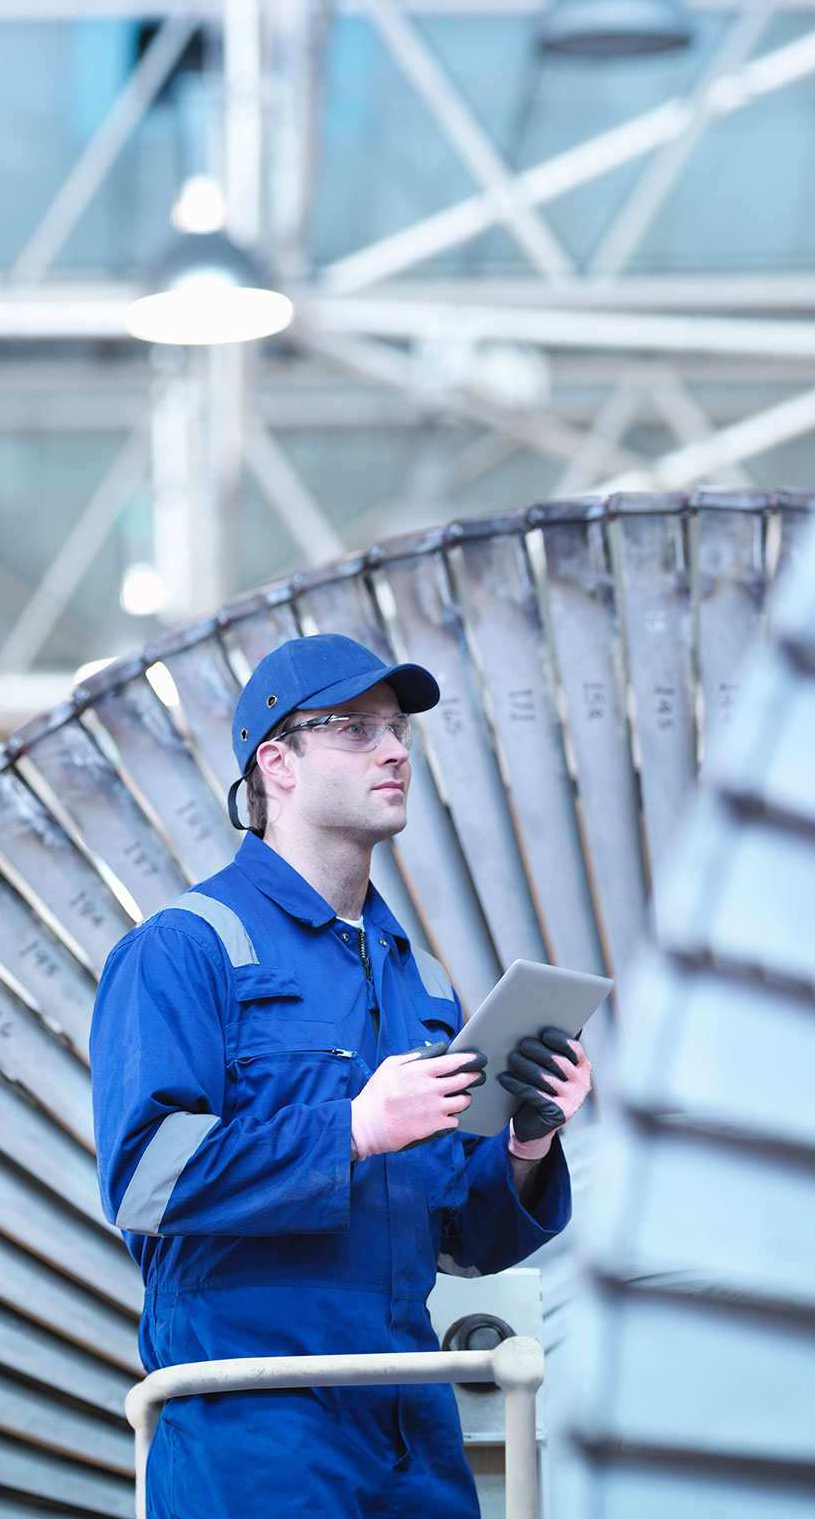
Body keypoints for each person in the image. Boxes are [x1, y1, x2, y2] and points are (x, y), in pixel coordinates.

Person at [92, 632, 594, 1518]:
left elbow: (456, 1236)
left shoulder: (422, 980)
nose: (396, 747)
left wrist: (528, 1137)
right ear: (276, 763)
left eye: (397, 727)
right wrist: (354, 1128)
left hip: (412, 1423)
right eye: (357, 729)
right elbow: (144, 1177)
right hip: (256, 1428)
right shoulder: (184, 949)